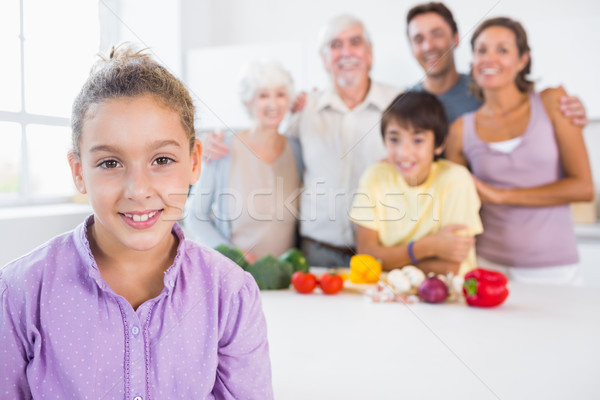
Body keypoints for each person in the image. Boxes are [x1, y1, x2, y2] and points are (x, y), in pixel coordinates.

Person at [0, 45, 273, 399]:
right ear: (79, 172)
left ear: (194, 162)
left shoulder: (231, 294)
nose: (139, 190)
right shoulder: (19, 293)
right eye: (110, 163)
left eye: (162, 159)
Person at [204, 15, 400, 267]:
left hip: (382, 251)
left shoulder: (399, 104)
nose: (346, 52)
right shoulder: (306, 111)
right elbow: (266, 134)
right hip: (317, 252)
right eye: (335, 45)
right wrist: (215, 141)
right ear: (324, 59)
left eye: (355, 42)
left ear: (369, 53)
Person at [445, 17, 594, 284]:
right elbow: (459, 203)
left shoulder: (553, 103)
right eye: (481, 50)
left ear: (523, 60)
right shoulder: (460, 130)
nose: (489, 58)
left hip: (555, 270)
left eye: (502, 50)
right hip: (488, 265)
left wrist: (500, 195)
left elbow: (583, 188)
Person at [350, 91, 482, 275]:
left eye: (418, 140)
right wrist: (426, 247)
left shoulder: (456, 179)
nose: (404, 153)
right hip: (392, 294)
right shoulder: (375, 176)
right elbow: (366, 257)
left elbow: (450, 267)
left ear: (439, 144)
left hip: (449, 297)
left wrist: (388, 260)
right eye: (394, 139)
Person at [185, 59, 301, 263]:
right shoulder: (222, 149)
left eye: (280, 94)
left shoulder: (297, 149)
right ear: (248, 101)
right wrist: (232, 254)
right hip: (234, 273)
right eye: (263, 96)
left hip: (287, 280)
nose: (273, 104)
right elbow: (195, 216)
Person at [406, 2, 588, 125]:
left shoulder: (488, 85)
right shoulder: (404, 103)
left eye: (437, 34)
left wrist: (566, 110)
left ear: (455, 38)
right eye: (418, 39)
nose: (428, 46)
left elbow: (528, 110)